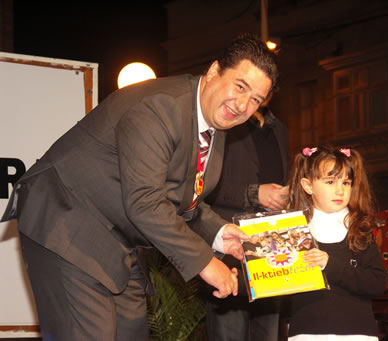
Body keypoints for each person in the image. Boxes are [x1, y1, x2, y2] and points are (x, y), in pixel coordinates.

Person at [0, 33, 279, 341]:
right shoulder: (161, 106)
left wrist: (220, 234)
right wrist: (206, 263)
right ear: (214, 71)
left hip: (117, 241)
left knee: (131, 333)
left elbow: (182, 201)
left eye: (255, 99)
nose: (242, 105)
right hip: (67, 220)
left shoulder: (215, 125)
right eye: (240, 86)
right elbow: (146, 202)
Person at [204, 103, 289, 341]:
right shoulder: (225, 119)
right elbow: (200, 189)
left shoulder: (279, 129)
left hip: (271, 248)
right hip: (230, 246)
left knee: (267, 334)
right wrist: (255, 194)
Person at [285, 145, 387, 340]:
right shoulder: (293, 230)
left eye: (346, 182)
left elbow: (376, 283)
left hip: (356, 334)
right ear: (308, 186)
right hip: (306, 333)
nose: (340, 190)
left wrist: (329, 265)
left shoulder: (360, 230)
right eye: (330, 181)